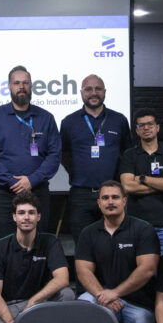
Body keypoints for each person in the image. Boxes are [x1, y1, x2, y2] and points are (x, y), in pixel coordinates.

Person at [0, 193, 75, 323]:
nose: (26, 217)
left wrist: (34, 301)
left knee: (67, 295)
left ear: (38, 217)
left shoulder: (50, 242)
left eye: (31, 212)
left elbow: (63, 278)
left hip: (41, 303)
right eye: (21, 213)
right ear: (14, 217)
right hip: (9, 306)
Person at [75, 181, 160, 323]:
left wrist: (116, 293)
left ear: (124, 201)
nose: (110, 202)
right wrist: (102, 295)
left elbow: (147, 269)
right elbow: (83, 271)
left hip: (138, 304)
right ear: (99, 203)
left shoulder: (143, 229)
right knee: (83, 304)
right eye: (105, 198)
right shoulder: (88, 233)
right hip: (101, 298)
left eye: (115, 197)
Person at [0, 66, 61, 236]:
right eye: (16, 83)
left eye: (25, 82)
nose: (21, 86)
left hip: (38, 190)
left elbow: (55, 155)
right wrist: (12, 182)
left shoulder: (46, 118)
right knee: (4, 243)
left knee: (39, 243)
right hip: (5, 192)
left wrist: (31, 180)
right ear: (9, 86)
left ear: (32, 86)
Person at [61, 74, 132, 244]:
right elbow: (64, 154)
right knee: (84, 245)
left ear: (105, 92)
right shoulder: (69, 122)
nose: (93, 93)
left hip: (112, 194)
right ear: (81, 93)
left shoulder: (119, 120)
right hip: (81, 195)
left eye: (98, 88)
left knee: (116, 243)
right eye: (88, 89)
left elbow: (127, 153)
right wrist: (78, 172)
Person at [119, 108, 163, 255]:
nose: (146, 128)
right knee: (141, 272)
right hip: (136, 226)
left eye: (150, 124)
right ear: (137, 130)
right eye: (141, 125)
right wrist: (162, 184)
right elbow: (127, 186)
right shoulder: (129, 155)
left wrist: (142, 178)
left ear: (157, 127)